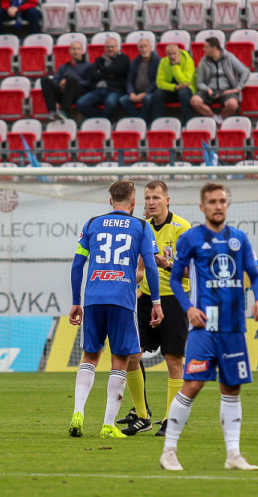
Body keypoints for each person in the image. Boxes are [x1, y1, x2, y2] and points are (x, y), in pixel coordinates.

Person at [159, 182, 258, 472]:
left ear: (227, 205)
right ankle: (169, 451)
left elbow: (255, 275)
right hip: (204, 327)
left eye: (222, 201)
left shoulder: (240, 239)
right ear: (202, 207)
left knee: (231, 388)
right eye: (212, 202)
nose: (218, 206)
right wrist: (189, 308)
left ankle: (233, 455)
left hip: (233, 328)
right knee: (192, 385)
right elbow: (174, 279)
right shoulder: (191, 239)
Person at [68, 180, 164, 439]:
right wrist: (156, 302)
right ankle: (108, 425)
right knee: (120, 361)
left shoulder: (92, 224)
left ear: (110, 201)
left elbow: (78, 265)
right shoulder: (142, 226)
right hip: (122, 300)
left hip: (93, 298)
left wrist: (76, 301)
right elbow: (151, 268)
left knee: (90, 356)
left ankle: (78, 412)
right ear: (133, 203)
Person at [116, 181, 191, 437]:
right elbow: (139, 270)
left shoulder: (182, 228)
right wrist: (123, 281)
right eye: (147, 197)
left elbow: (193, 270)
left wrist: (167, 265)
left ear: (167, 200)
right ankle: (143, 414)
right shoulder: (142, 227)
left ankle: (171, 418)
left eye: (156, 197)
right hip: (147, 299)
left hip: (174, 300)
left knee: (173, 361)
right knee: (132, 355)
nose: (150, 202)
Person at [190, 37, 250, 126]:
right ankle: (214, 119)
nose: (204, 49)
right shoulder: (203, 61)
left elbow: (245, 71)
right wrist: (208, 89)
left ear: (214, 48)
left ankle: (220, 118)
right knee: (194, 101)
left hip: (226, 90)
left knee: (232, 105)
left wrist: (238, 88)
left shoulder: (229, 57)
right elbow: (200, 82)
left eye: (206, 47)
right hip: (209, 90)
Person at [76, 37, 130, 120]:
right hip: (98, 90)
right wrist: (109, 74)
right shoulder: (99, 60)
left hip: (115, 90)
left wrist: (101, 69)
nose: (110, 49)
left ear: (117, 47)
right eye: (108, 47)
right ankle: (102, 120)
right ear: (104, 48)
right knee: (81, 103)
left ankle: (104, 123)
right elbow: (92, 75)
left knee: (110, 103)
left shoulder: (124, 58)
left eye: (112, 46)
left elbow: (118, 70)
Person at [39, 41, 91, 121]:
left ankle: (64, 111)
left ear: (82, 51)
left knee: (71, 79)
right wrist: (60, 84)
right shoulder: (63, 67)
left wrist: (71, 82)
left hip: (79, 94)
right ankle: (52, 111)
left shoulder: (89, 66)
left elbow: (89, 82)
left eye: (78, 49)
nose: (76, 51)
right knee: (45, 80)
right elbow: (55, 80)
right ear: (70, 51)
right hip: (63, 93)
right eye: (73, 49)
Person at [119, 38, 160, 123]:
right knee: (123, 100)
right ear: (138, 49)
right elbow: (129, 80)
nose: (144, 49)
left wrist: (145, 93)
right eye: (141, 47)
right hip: (136, 92)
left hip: (151, 92)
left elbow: (157, 81)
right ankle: (139, 120)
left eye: (146, 46)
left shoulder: (158, 61)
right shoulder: (134, 62)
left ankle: (141, 122)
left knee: (147, 99)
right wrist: (131, 92)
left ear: (151, 47)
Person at [153, 44, 196, 123]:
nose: (172, 56)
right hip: (172, 89)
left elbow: (186, 82)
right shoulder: (163, 61)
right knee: (158, 93)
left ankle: (188, 121)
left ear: (179, 52)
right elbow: (159, 82)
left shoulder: (188, 61)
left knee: (183, 92)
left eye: (174, 53)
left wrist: (175, 66)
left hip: (187, 90)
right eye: (170, 54)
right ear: (166, 54)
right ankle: (158, 122)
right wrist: (175, 87)